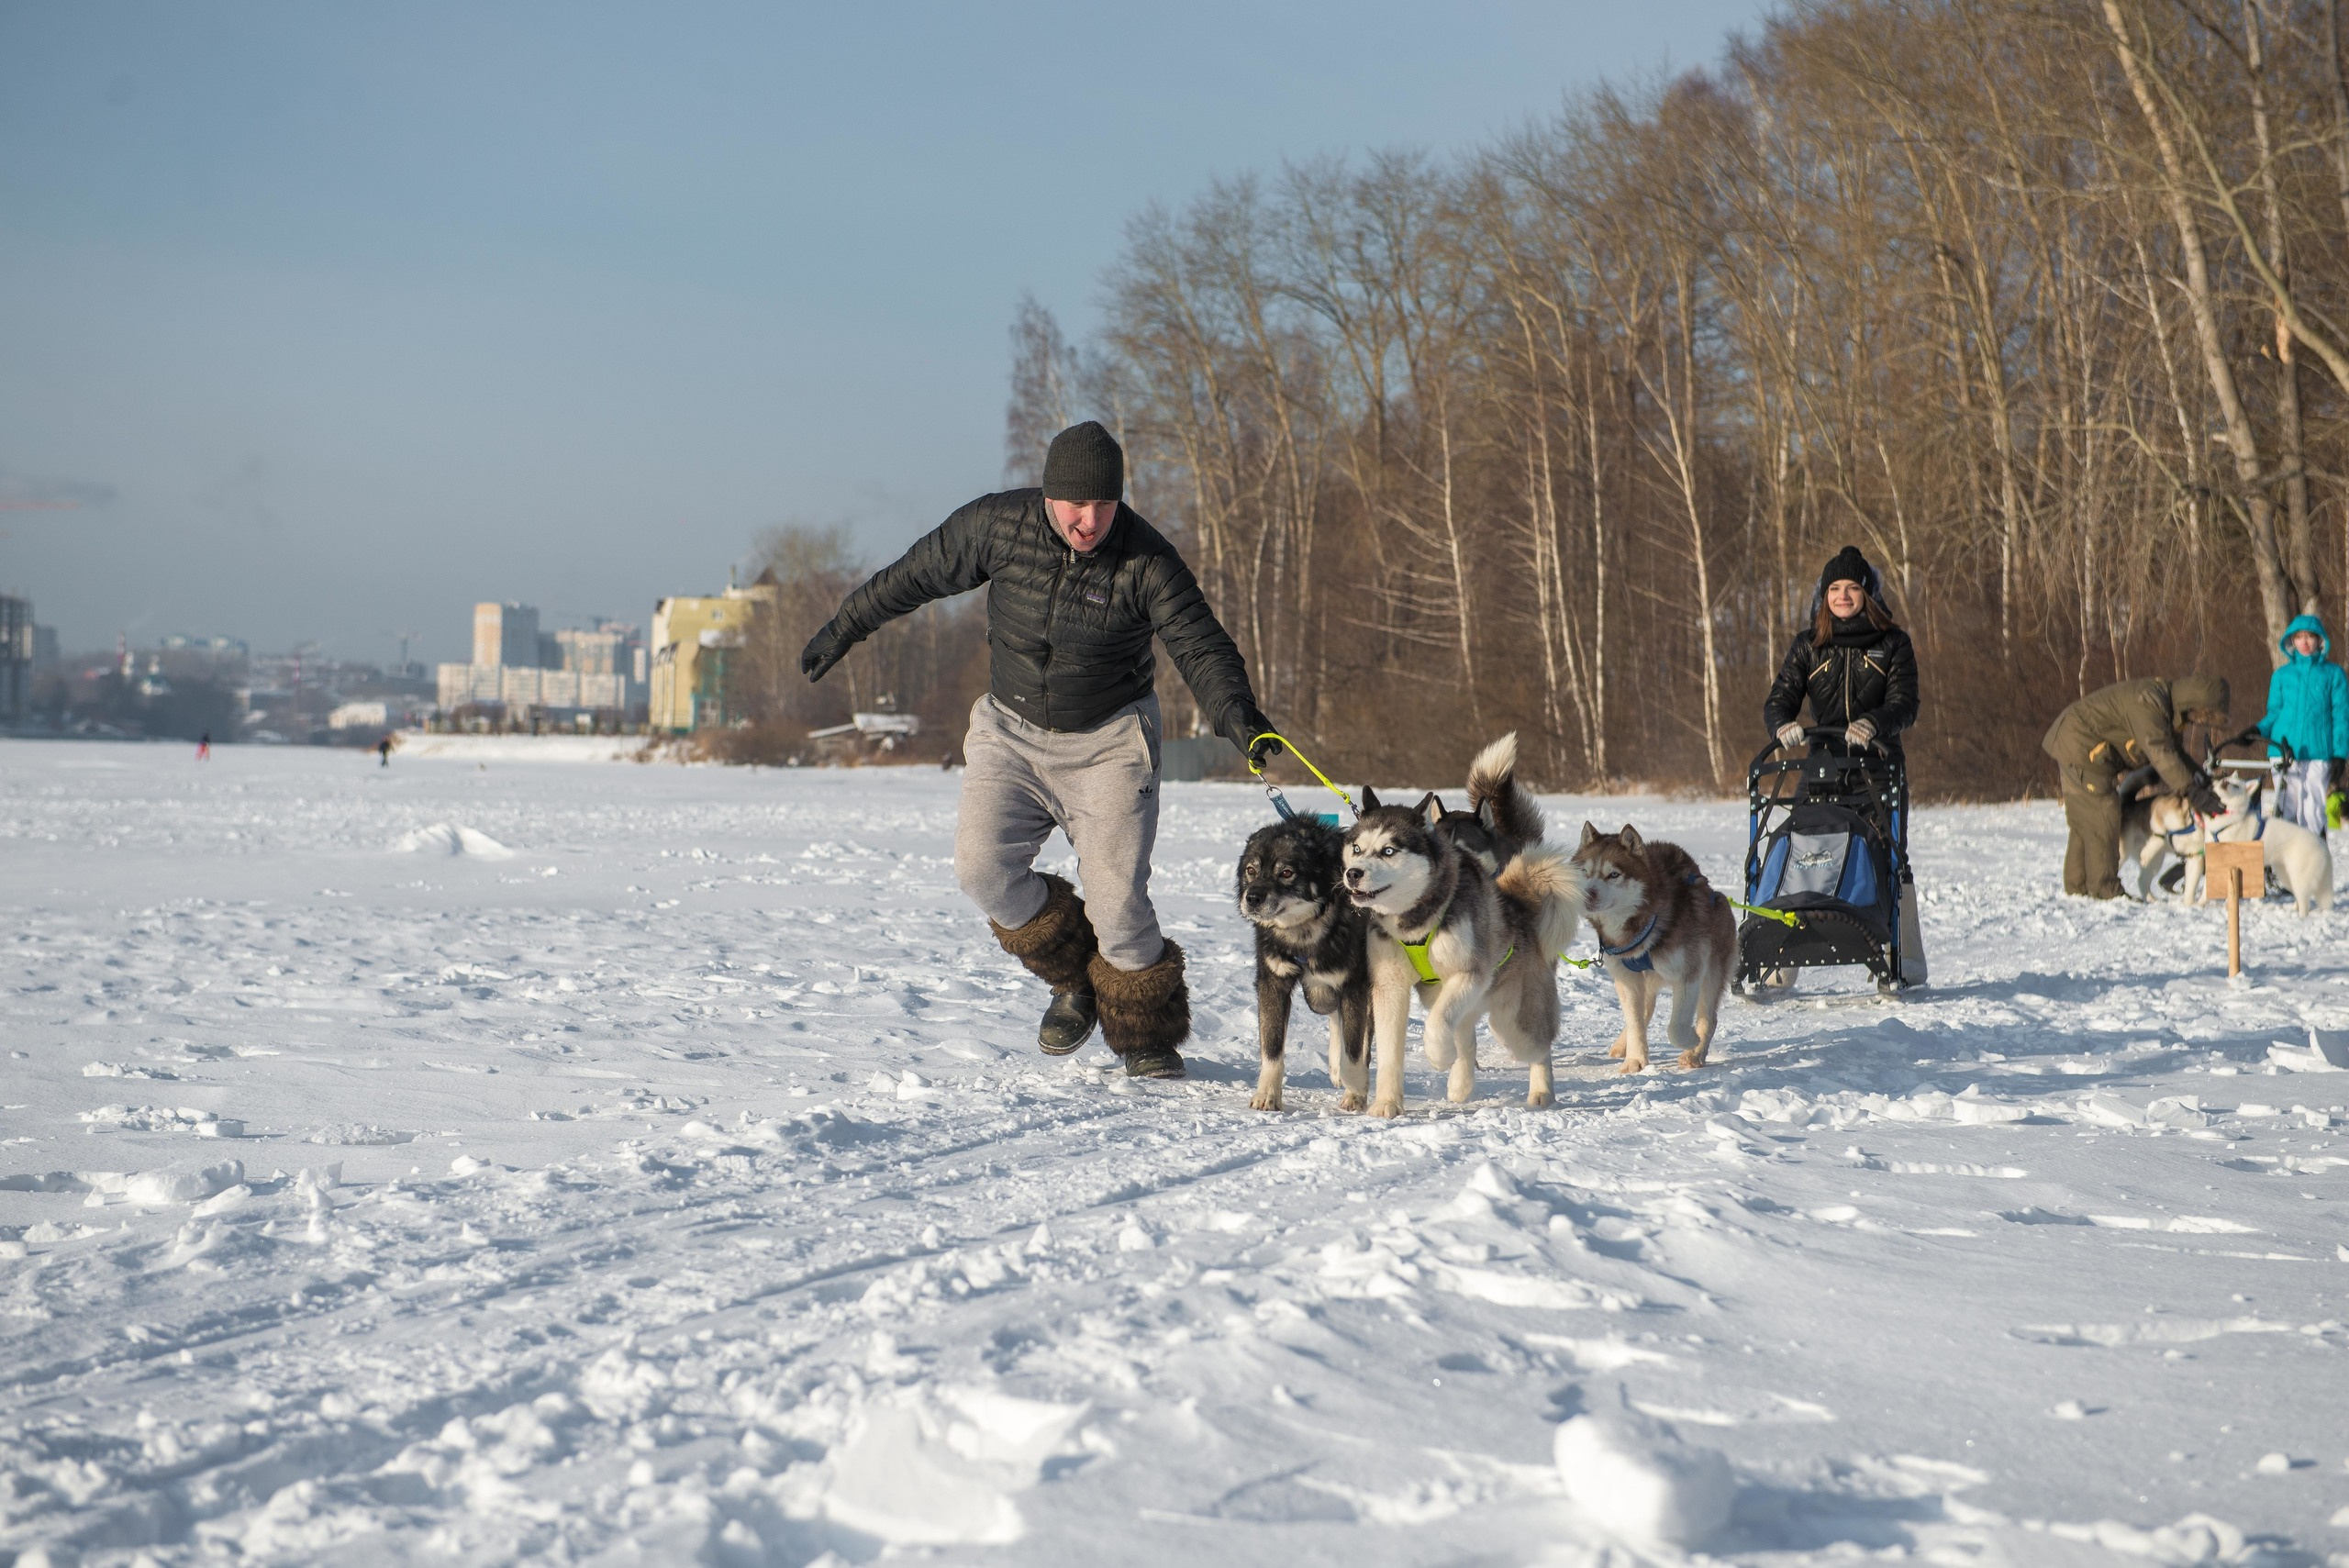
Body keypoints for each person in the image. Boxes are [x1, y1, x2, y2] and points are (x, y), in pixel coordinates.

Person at [800, 420, 1276, 1079]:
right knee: (982, 870)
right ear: (1048, 495)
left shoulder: (1145, 560)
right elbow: (915, 574)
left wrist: (1239, 716)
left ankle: (1146, 1030)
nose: (1089, 520)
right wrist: (844, 626)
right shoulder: (998, 525)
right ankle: (1075, 979)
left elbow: (1200, 645)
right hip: (1009, 733)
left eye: (1103, 505)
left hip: (1111, 741)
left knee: (1116, 900)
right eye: (1075, 504)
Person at [1761, 544, 1925, 983]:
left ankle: (1899, 957)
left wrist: (1875, 722)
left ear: (1868, 592)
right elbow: (1780, 700)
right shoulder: (1809, 645)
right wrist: (1782, 726)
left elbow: (1906, 704)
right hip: (1822, 767)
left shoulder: (1893, 644)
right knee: (1804, 850)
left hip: (1878, 768)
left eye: (1853, 587)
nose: (1844, 596)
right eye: (1835, 588)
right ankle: (1782, 956)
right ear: (1824, 594)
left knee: (1888, 856)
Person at [2043, 674, 2228, 899]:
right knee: (2104, 814)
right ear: (2192, 703)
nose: (2196, 722)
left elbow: (2176, 753)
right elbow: (2160, 752)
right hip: (2080, 746)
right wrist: (2192, 790)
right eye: (2198, 715)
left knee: (2085, 822)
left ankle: (2077, 890)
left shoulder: (2165, 707)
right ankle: (2105, 890)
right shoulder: (2148, 703)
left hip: (2077, 744)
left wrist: (2203, 781)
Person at [2254, 613, 2347, 839]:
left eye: (2309, 637)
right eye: (2299, 637)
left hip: (2318, 752)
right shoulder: (2282, 675)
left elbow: (2341, 715)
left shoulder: (2333, 674)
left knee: (2313, 810)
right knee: (2287, 808)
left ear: (2320, 640)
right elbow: (2274, 712)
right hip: (2283, 751)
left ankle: (2313, 858)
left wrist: (2340, 754)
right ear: (2291, 641)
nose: (2304, 642)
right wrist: (2257, 730)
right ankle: (2286, 864)